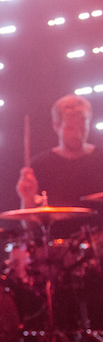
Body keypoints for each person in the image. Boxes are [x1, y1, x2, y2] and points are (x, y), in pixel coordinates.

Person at [16, 94, 103, 236]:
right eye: (70, 128)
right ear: (56, 126)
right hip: (56, 251)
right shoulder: (40, 165)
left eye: (82, 128)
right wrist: (27, 199)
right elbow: (30, 226)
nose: (77, 135)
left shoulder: (101, 159)